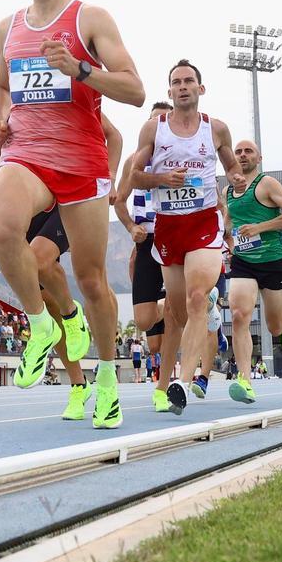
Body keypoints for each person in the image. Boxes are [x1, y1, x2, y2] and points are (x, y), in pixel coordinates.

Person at [0, 0, 145, 430]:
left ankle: (105, 381)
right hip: (26, 155)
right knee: (3, 222)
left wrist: (79, 69)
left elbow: (136, 90)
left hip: (81, 165)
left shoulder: (89, 19)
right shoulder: (6, 28)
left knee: (93, 281)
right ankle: (39, 324)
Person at [127, 59, 244, 415]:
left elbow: (232, 169)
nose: (182, 87)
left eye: (188, 81)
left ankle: (183, 380)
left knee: (196, 297)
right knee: (176, 313)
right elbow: (134, 177)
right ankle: (164, 384)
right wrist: (162, 180)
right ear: (169, 92)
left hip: (203, 222)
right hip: (168, 226)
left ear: (200, 89)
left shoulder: (216, 129)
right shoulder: (153, 130)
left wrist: (237, 180)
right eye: (176, 82)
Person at [221, 139, 282, 404]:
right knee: (239, 314)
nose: (242, 155)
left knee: (274, 327)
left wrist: (259, 227)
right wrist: (229, 243)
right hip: (243, 262)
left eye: (248, 151)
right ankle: (245, 380)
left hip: (273, 260)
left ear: (259, 157)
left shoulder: (267, 184)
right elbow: (229, 223)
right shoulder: (228, 191)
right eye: (238, 152)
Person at [117, 100, 174, 404]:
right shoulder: (133, 163)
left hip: (175, 238)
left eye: (164, 122)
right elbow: (119, 202)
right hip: (146, 241)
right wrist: (130, 227)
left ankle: (164, 387)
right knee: (143, 321)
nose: (157, 127)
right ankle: (166, 304)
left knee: (176, 316)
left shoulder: (183, 158)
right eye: (153, 122)